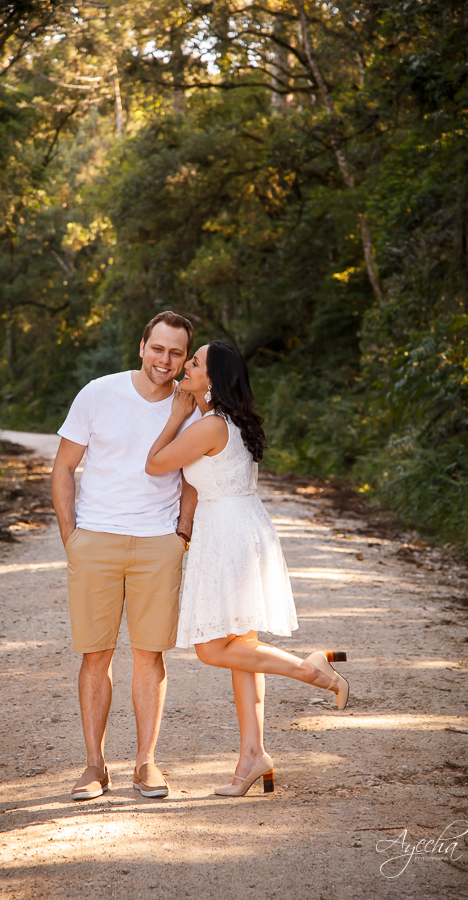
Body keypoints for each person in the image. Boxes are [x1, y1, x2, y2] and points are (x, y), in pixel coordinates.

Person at [146, 341, 349, 797]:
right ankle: (252, 756)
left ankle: (312, 669)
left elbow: (155, 464)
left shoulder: (209, 425)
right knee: (242, 647)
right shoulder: (226, 421)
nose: (185, 367)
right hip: (237, 530)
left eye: (193, 363)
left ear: (212, 380)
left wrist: (177, 415)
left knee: (211, 649)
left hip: (229, 537)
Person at [52, 311, 200, 801]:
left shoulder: (191, 407)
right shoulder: (99, 393)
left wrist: (181, 532)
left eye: (176, 352)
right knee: (95, 655)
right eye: (158, 348)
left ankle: (146, 763)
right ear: (142, 347)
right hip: (95, 538)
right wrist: (72, 536)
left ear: (184, 359)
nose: (165, 359)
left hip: (158, 543)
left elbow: (193, 479)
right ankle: (94, 766)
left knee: (149, 655)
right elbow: (64, 467)